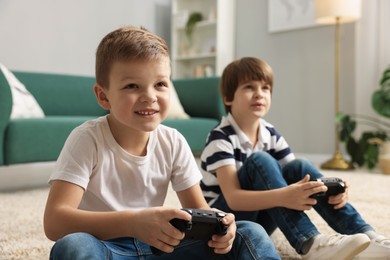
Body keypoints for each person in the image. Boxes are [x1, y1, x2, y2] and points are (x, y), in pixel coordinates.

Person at [43, 27, 280, 260]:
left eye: (160, 84)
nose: (150, 96)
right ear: (104, 96)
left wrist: (221, 226)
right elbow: (54, 222)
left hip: (164, 247)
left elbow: (198, 210)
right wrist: (133, 223)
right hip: (106, 248)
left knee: (250, 232)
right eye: (132, 86)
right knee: (73, 245)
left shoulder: (173, 141)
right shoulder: (87, 139)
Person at [200, 57, 390, 259]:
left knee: (301, 166)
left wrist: (332, 190)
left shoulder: (270, 133)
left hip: (260, 215)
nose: (259, 94)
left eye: (265, 88)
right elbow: (234, 199)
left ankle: (366, 235)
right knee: (260, 160)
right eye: (249, 87)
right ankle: (311, 243)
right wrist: (284, 195)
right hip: (225, 225)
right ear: (228, 98)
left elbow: (297, 179)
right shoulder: (220, 138)